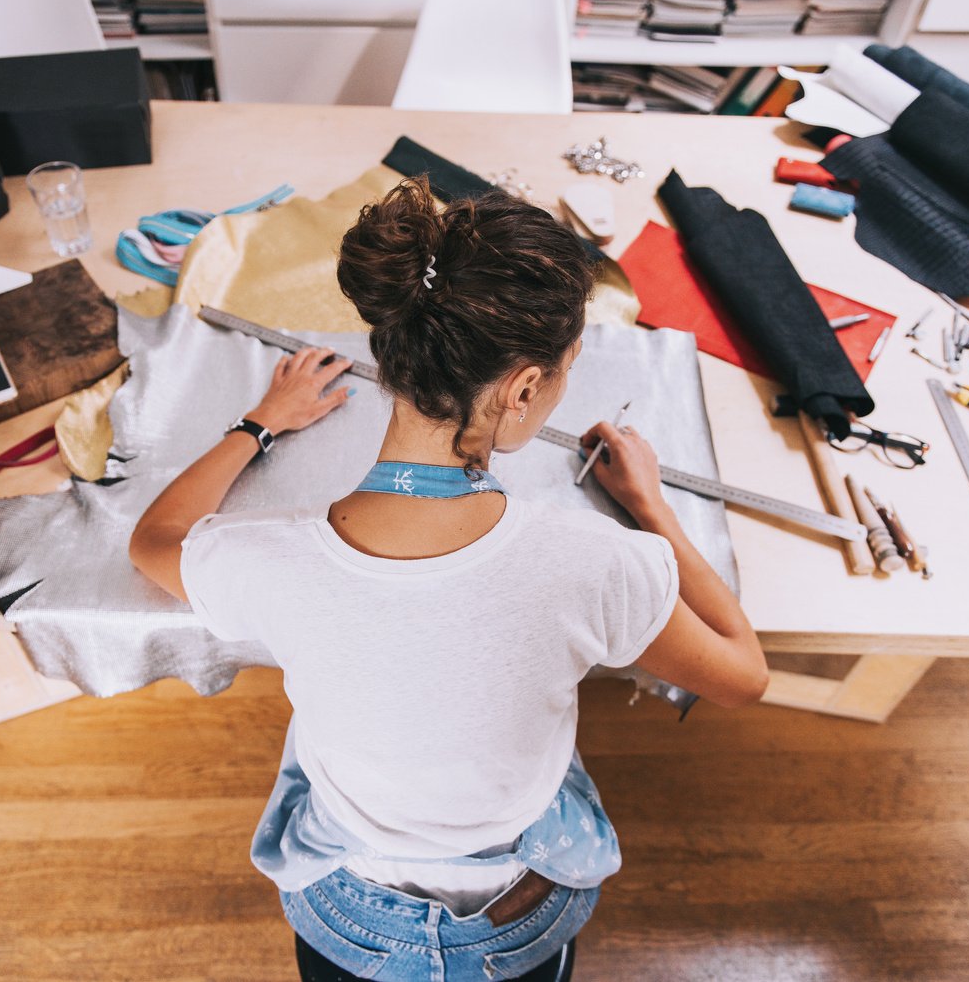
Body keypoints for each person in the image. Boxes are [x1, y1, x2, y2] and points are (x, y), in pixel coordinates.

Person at [129, 178, 767, 981]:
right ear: (525, 389)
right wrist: (655, 514)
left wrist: (259, 422)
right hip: (515, 920)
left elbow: (154, 541)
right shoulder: (596, 560)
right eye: (566, 372)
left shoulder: (277, 559)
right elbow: (744, 675)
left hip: (348, 919)